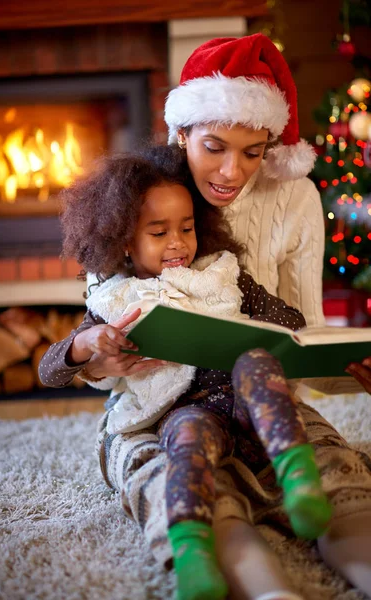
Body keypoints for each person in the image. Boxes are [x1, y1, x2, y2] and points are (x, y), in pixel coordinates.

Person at [44, 33, 371, 600]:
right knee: (189, 484)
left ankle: (306, 493)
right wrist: (95, 350)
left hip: (255, 394)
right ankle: (257, 585)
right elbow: (64, 359)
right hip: (167, 411)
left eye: (253, 151)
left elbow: (293, 326)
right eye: (214, 147)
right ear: (182, 134)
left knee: (339, 477)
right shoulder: (136, 214)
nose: (231, 172)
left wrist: (343, 361)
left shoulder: (236, 250)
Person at [39, 145, 332, 600]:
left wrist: (250, 326)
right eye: (159, 232)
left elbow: (291, 325)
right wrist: (84, 346)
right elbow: (49, 370)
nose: (177, 242)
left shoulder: (221, 274)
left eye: (187, 227)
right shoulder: (116, 300)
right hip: (189, 415)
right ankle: (193, 554)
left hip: (251, 404)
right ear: (123, 241)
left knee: (257, 362)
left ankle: (299, 480)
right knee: (187, 440)